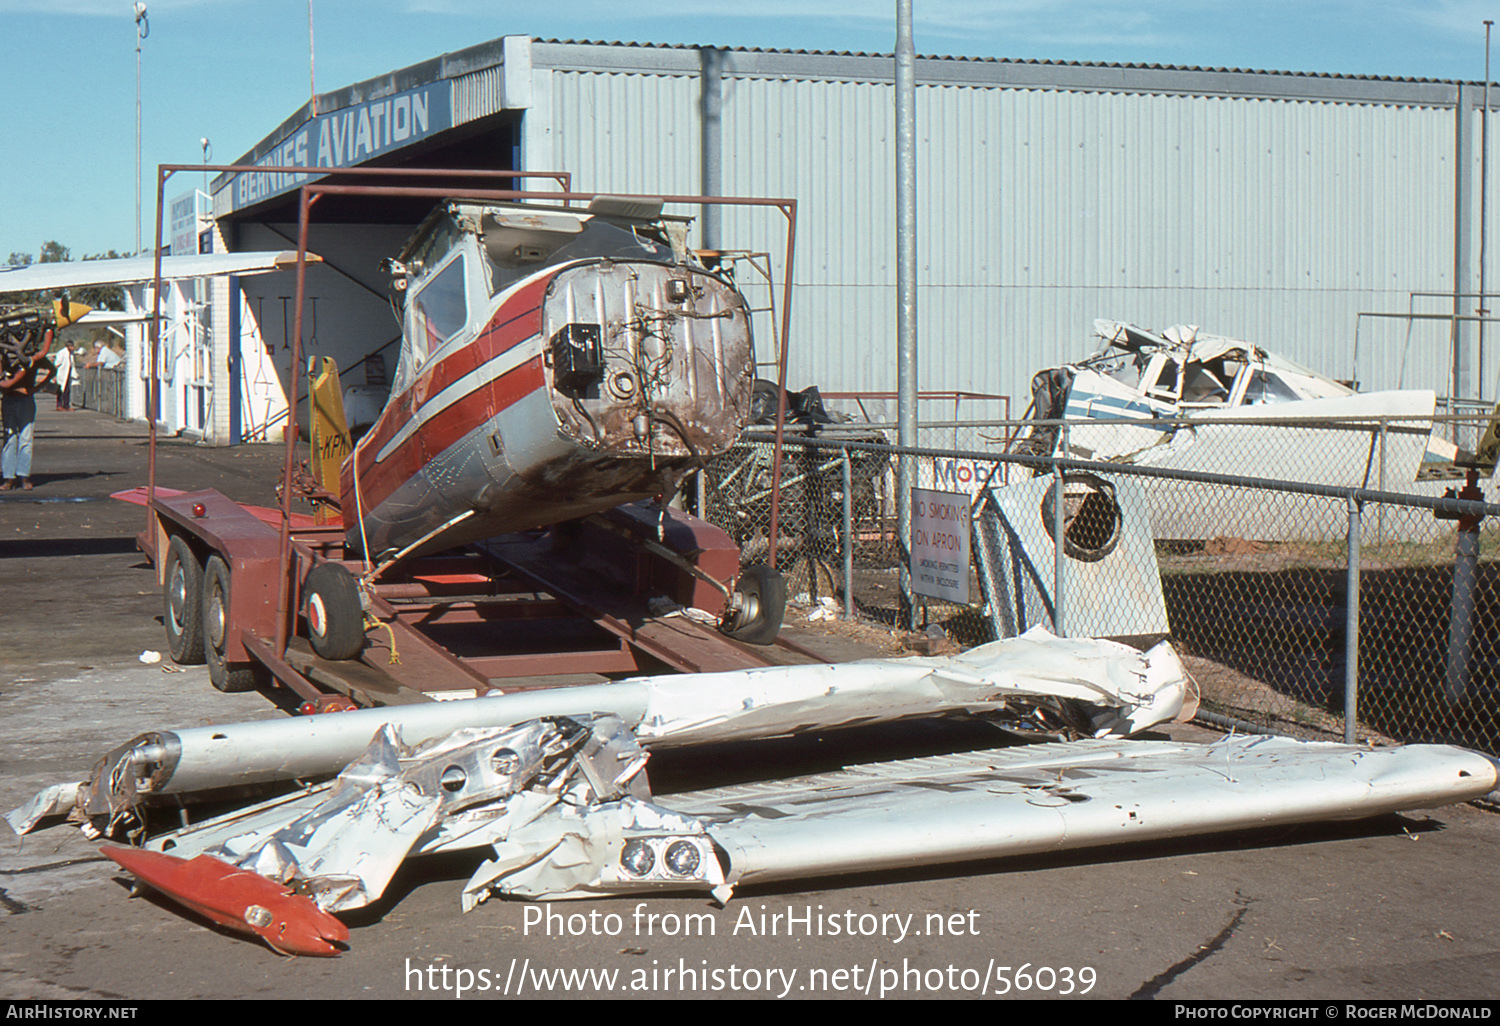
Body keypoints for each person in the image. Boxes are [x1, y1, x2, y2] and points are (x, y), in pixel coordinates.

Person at [1, 342, 55, 491]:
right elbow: (52, 370)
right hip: (12, 398)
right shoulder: (7, 355)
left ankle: (19, 476)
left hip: (20, 398)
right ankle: (11, 477)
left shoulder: (28, 356)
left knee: (21, 437)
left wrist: (35, 388)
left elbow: (52, 370)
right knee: (12, 438)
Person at [52, 340, 74, 411]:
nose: (72, 348)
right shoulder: (62, 353)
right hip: (61, 374)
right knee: (60, 390)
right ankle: (59, 405)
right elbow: (57, 364)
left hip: (68, 374)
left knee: (67, 390)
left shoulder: (71, 353)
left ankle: (66, 405)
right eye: (71, 346)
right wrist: (54, 375)